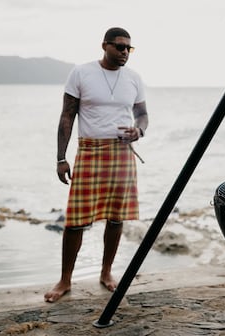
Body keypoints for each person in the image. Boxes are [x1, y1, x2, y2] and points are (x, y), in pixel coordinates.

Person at [44, 27, 148, 303]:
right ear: (105, 46)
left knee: (116, 217)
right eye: (120, 47)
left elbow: (143, 115)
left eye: (129, 48)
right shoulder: (81, 73)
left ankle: (106, 273)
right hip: (90, 151)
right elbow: (67, 115)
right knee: (75, 221)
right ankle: (65, 279)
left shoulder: (134, 78)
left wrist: (140, 130)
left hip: (122, 154)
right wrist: (61, 158)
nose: (125, 52)